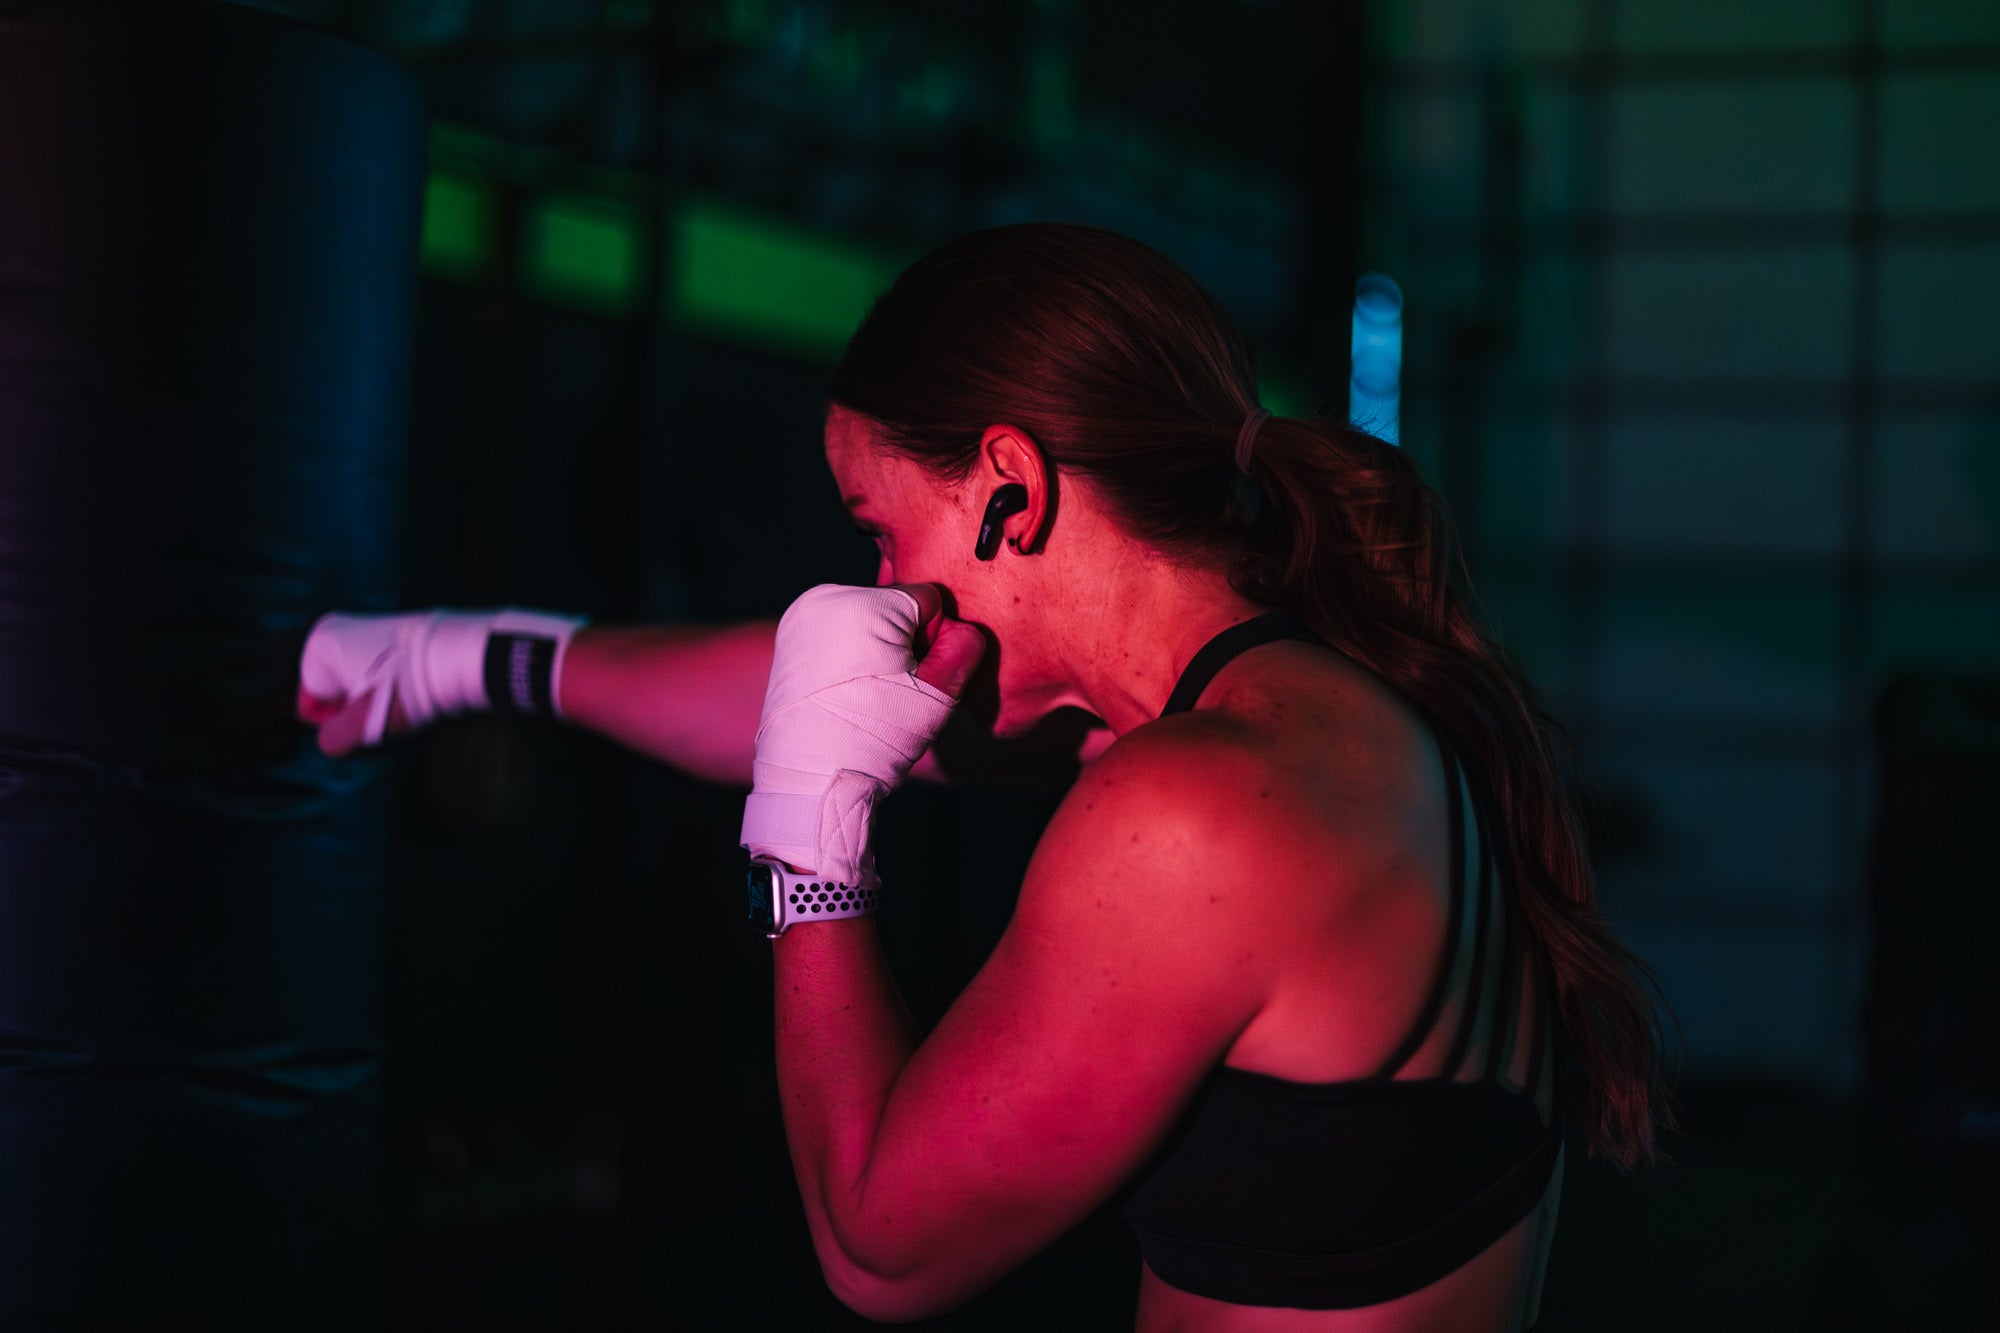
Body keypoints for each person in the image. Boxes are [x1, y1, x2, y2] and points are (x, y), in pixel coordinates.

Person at [299, 223, 1672, 1331]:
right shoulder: (1313, 712)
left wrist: (815, 840)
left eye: (881, 531)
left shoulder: (1188, 812)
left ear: (1010, 487)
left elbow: (877, 1245)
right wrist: (445, 658)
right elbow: (773, 687)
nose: (877, 586)